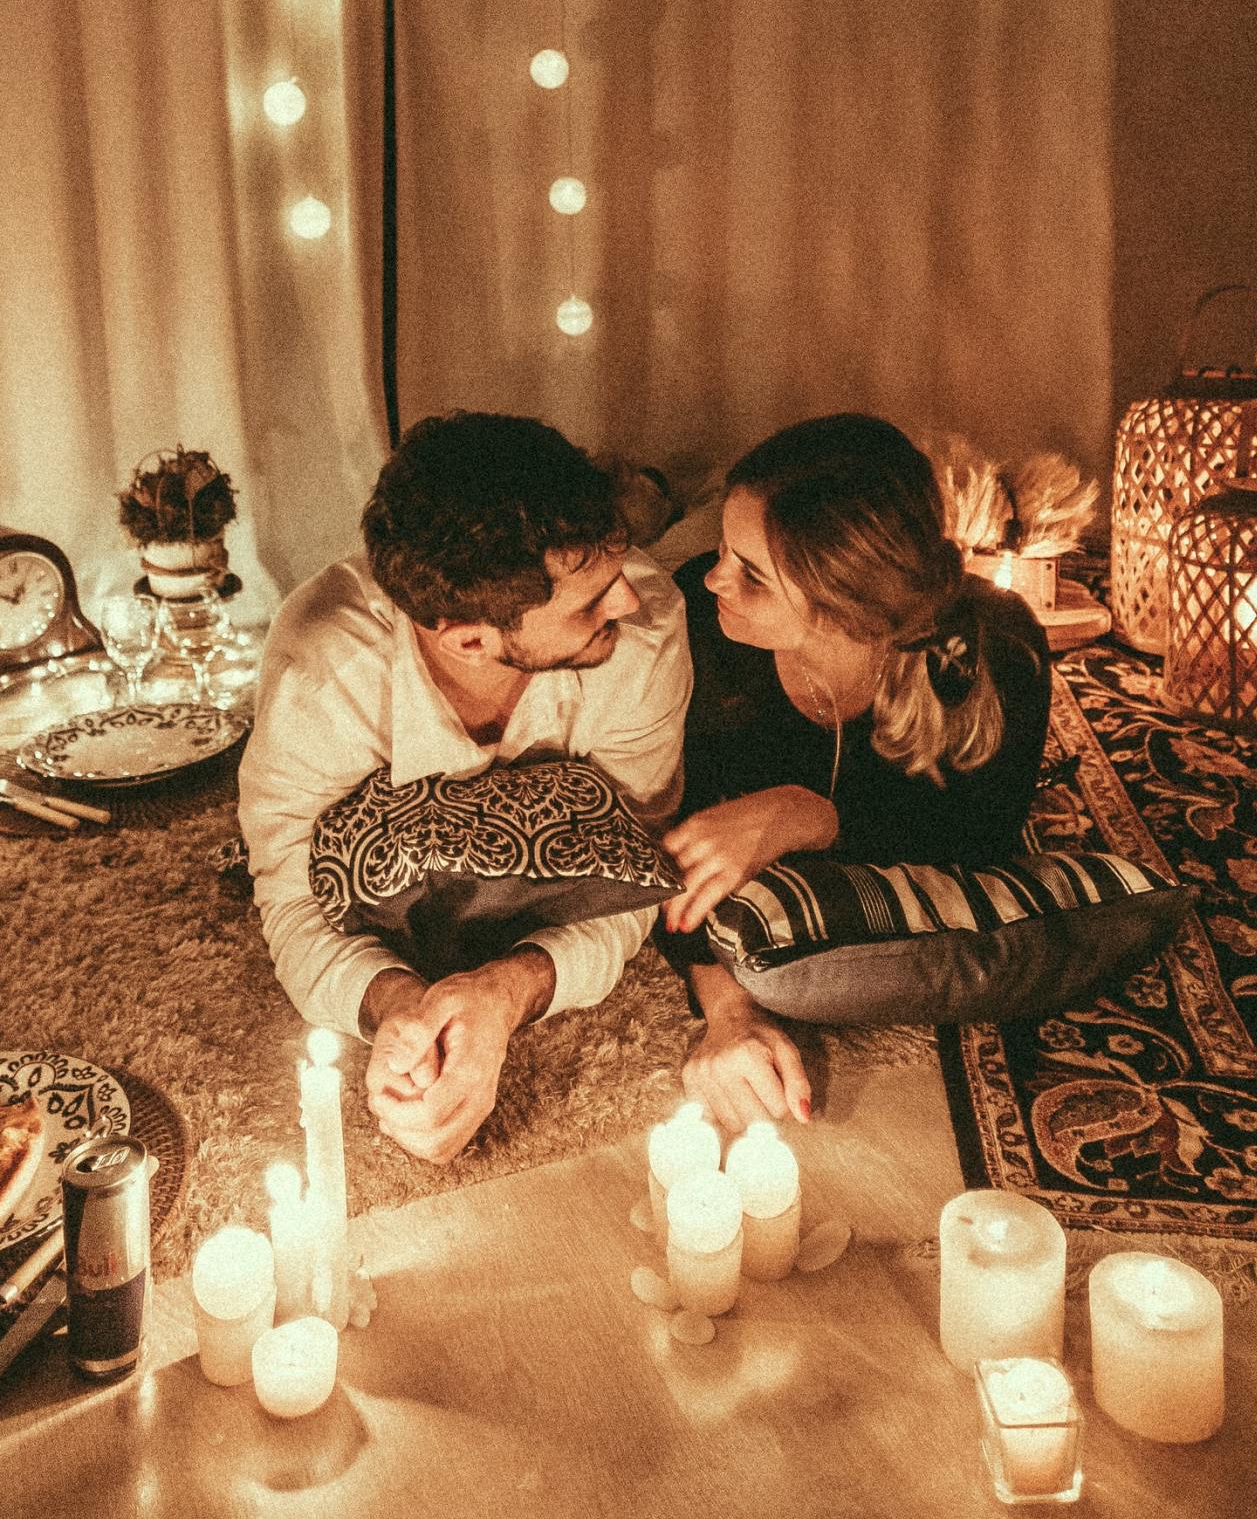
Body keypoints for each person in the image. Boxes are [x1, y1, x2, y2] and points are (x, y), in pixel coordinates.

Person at [240, 412, 691, 1164]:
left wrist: (508, 992)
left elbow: (638, 871)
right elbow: (289, 900)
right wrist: (398, 1008)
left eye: (615, 571)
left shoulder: (645, 633)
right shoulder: (323, 675)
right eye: (588, 603)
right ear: (469, 641)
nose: (626, 604)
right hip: (383, 858)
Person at [661, 413, 1052, 1132]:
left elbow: (977, 847)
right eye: (723, 547)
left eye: (752, 574)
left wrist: (810, 814)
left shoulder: (998, 654)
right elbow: (664, 858)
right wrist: (729, 1013)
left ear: (846, 605)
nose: (717, 577)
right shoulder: (694, 625)